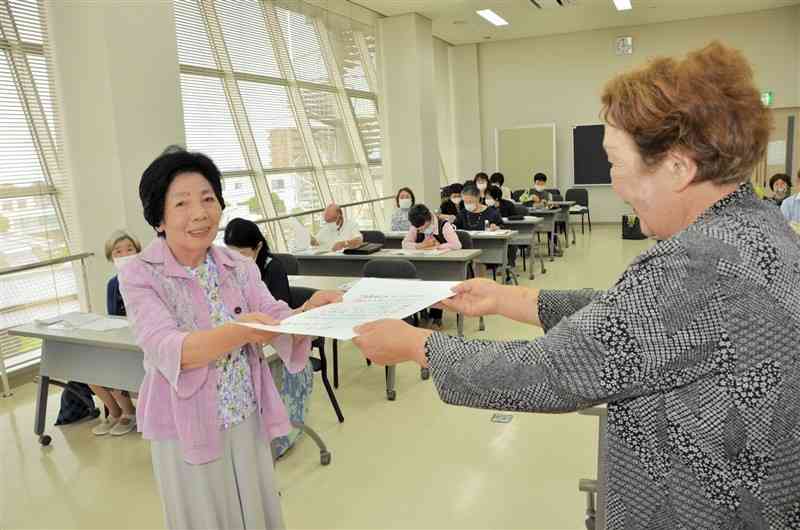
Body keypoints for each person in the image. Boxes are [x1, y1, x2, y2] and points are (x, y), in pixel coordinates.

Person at [351, 42, 800, 528]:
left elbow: (550, 370)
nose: (616, 184)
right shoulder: (755, 226)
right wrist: (512, 298)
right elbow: (631, 318)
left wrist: (418, 344)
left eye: (615, 163)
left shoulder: (704, 262)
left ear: (677, 167)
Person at [119, 149, 341, 529]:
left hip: (244, 412)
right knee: (204, 517)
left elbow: (274, 317)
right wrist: (241, 331)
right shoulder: (140, 274)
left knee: (256, 510)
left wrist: (312, 313)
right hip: (184, 424)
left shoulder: (236, 264)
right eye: (182, 203)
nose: (200, 213)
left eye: (208, 199)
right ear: (158, 217)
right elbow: (170, 349)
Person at [223, 217, 313, 459]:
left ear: (258, 247)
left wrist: (303, 312)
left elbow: (275, 312)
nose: (236, 259)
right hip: (254, 344)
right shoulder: (228, 272)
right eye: (230, 252)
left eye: (242, 252)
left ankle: (278, 437)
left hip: (278, 341)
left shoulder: (272, 268)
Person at [88, 230, 141, 436]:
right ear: (111, 257)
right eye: (118, 251)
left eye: (130, 249)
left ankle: (130, 412)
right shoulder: (113, 284)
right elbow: (114, 318)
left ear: (138, 251)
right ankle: (116, 412)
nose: (125, 254)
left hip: (145, 338)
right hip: (124, 336)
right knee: (90, 370)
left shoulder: (149, 276)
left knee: (113, 366)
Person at [403, 204, 462, 329]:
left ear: (429, 220)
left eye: (423, 227)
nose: (420, 230)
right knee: (412, 280)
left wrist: (438, 246)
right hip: (421, 265)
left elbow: (457, 244)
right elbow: (405, 244)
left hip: (442, 266)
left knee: (435, 280)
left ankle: (436, 317)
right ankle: (417, 315)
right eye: (417, 228)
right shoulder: (416, 225)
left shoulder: (443, 225)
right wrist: (420, 246)